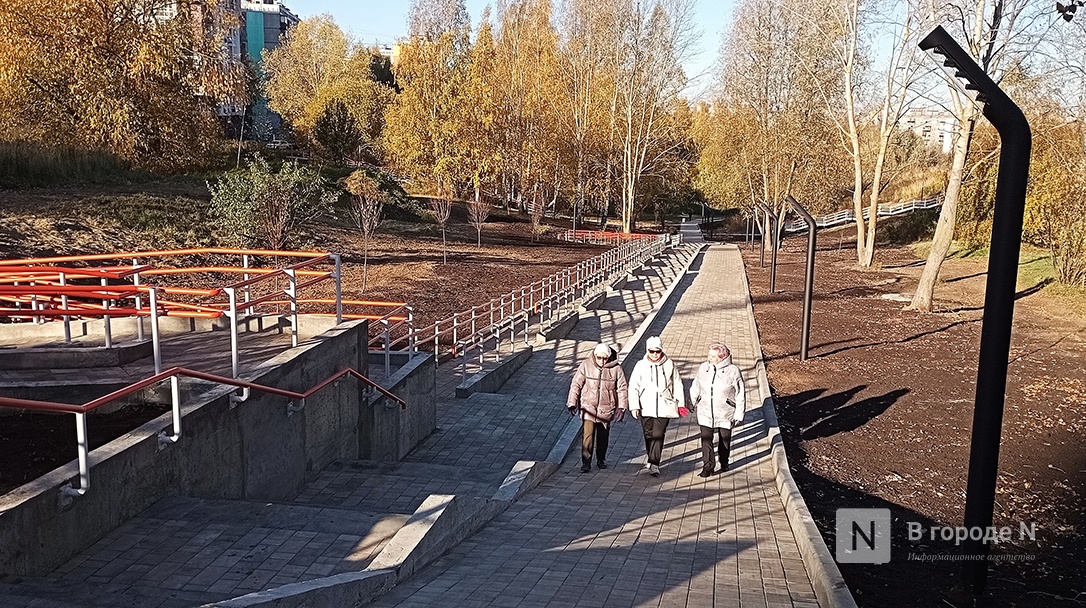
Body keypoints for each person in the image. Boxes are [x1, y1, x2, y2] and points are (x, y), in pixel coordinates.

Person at [567, 342, 629, 473]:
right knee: (588, 435)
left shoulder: (616, 369)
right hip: (588, 407)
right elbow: (576, 384)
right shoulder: (586, 365)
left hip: (606, 408)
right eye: (599, 357)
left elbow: (622, 388)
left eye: (605, 358)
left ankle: (601, 459)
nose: (602, 361)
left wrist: (622, 407)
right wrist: (572, 403)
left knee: (603, 436)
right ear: (595, 356)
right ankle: (586, 462)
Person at [627, 336, 685, 476]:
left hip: (664, 406)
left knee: (658, 434)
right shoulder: (640, 365)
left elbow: (677, 384)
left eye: (657, 351)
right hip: (645, 405)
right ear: (647, 351)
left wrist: (680, 403)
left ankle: (654, 463)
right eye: (652, 351)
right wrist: (634, 405)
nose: (654, 354)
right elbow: (633, 386)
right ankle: (651, 457)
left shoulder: (669, 364)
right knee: (648, 434)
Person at [690, 342, 746, 477]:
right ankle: (708, 467)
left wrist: (739, 413)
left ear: (721, 357)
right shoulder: (704, 368)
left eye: (713, 356)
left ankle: (724, 461)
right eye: (709, 355)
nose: (709, 358)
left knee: (724, 439)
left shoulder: (733, 371)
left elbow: (740, 393)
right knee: (706, 438)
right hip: (705, 411)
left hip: (725, 412)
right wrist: (692, 401)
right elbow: (696, 385)